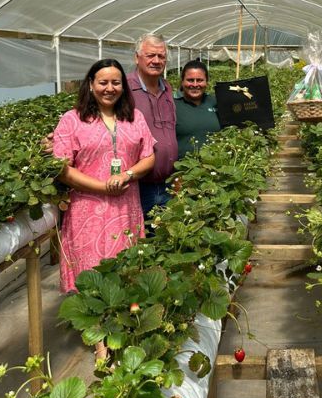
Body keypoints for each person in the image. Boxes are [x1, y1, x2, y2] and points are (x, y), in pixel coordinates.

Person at [53, 59, 155, 295]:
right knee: (91, 280)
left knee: (126, 274)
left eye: (116, 82)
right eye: (103, 82)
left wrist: (128, 174)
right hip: (87, 213)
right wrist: (102, 187)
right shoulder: (72, 119)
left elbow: (148, 157)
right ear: (90, 84)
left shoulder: (135, 117)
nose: (110, 88)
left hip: (126, 209)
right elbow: (62, 168)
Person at [127, 33, 178, 216]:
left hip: (169, 184)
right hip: (139, 186)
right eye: (150, 55)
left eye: (161, 56)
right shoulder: (124, 89)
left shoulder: (167, 88)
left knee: (168, 238)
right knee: (142, 239)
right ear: (137, 57)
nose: (156, 61)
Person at [174, 59, 221, 159]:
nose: (195, 85)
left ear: (207, 82)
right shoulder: (172, 105)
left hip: (215, 168)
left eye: (200, 80)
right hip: (184, 170)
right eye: (190, 80)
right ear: (182, 82)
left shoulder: (215, 102)